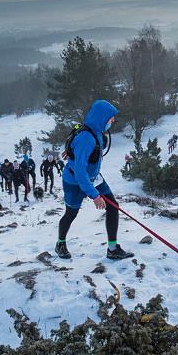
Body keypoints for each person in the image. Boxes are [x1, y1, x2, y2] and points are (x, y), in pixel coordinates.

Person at [57, 99, 133, 261]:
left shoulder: (96, 131)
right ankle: (60, 243)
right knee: (71, 213)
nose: (112, 121)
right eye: (110, 118)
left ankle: (112, 249)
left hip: (93, 177)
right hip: (75, 181)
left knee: (113, 207)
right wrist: (94, 195)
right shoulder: (86, 138)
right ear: (101, 117)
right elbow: (79, 171)